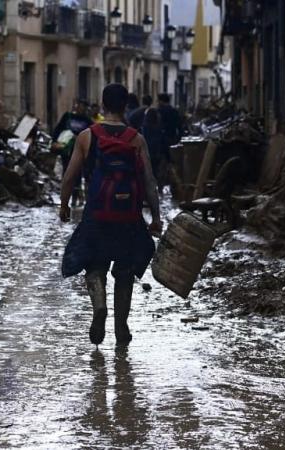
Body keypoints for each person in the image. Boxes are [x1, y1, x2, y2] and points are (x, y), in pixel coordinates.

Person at [60, 83, 163, 346]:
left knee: (94, 265)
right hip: (128, 216)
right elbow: (149, 181)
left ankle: (99, 307)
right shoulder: (136, 138)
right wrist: (156, 217)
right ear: (125, 105)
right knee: (125, 270)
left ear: (103, 105)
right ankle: (121, 327)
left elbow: (70, 176)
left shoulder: (86, 136)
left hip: (96, 214)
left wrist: (64, 205)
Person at [52, 99, 93, 204]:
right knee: (66, 171)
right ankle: (65, 196)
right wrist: (54, 141)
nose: (79, 107)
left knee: (78, 174)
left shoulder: (87, 121)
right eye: (78, 105)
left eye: (82, 106)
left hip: (79, 150)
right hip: (66, 149)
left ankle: (75, 196)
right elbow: (58, 129)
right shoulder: (67, 116)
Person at [140, 108, 170, 190]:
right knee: (158, 172)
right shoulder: (159, 128)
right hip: (157, 154)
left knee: (148, 173)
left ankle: (149, 190)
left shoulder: (144, 128)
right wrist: (168, 157)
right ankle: (158, 189)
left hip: (147, 153)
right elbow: (163, 143)